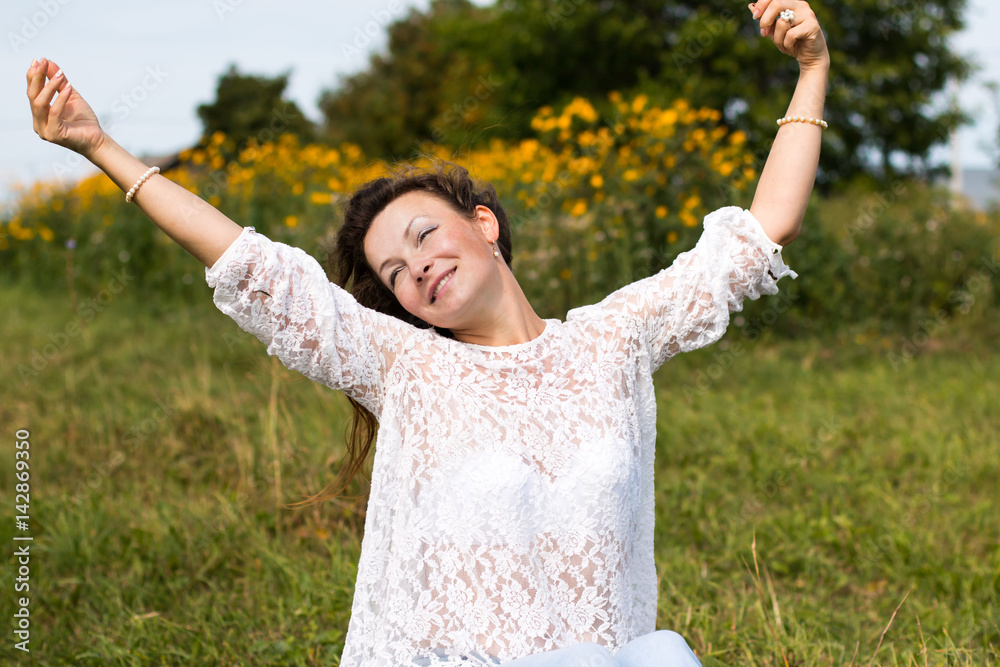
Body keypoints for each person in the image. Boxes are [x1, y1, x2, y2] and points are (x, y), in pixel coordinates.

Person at [26, 0, 829, 664]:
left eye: (422, 237)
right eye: (396, 275)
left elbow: (759, 234)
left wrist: (812, 68)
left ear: (483, 224)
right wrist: (100, 147)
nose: (415, 270)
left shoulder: (612, 340)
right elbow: (253, 265)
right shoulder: (408, 366)